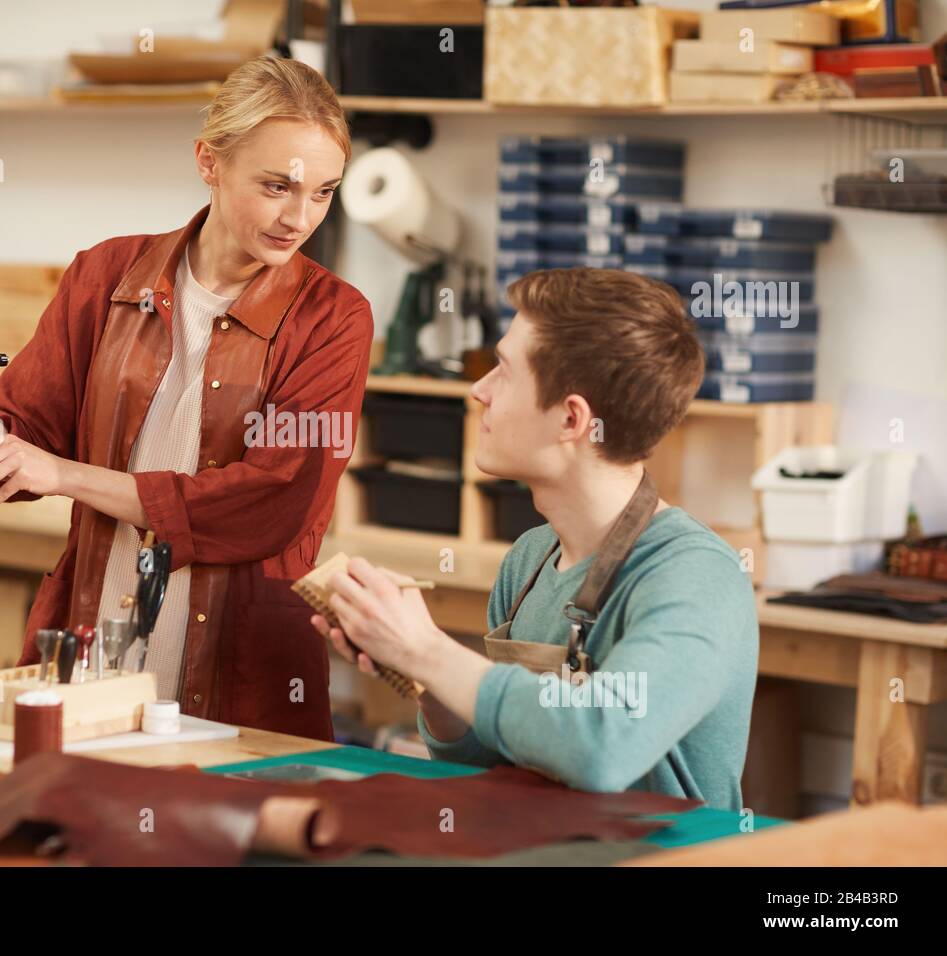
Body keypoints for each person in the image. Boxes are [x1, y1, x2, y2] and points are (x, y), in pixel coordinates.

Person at [0, 56, 373, 740]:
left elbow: (273, 501)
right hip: (88, 652)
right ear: (209, 162)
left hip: (243, 677)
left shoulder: (334, 318)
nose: (298, 216)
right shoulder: (105, 275)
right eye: (277, 186)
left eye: (323, 192)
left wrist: (68, 477)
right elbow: (17, 436)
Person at [312, 268, 758, 811]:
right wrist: (418, 677)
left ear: (572, 419)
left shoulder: (694, 575)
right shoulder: (528, 560)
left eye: (502, 370)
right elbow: (492, 767)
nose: (479, 390)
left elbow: (599, 745)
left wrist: (425, 651)